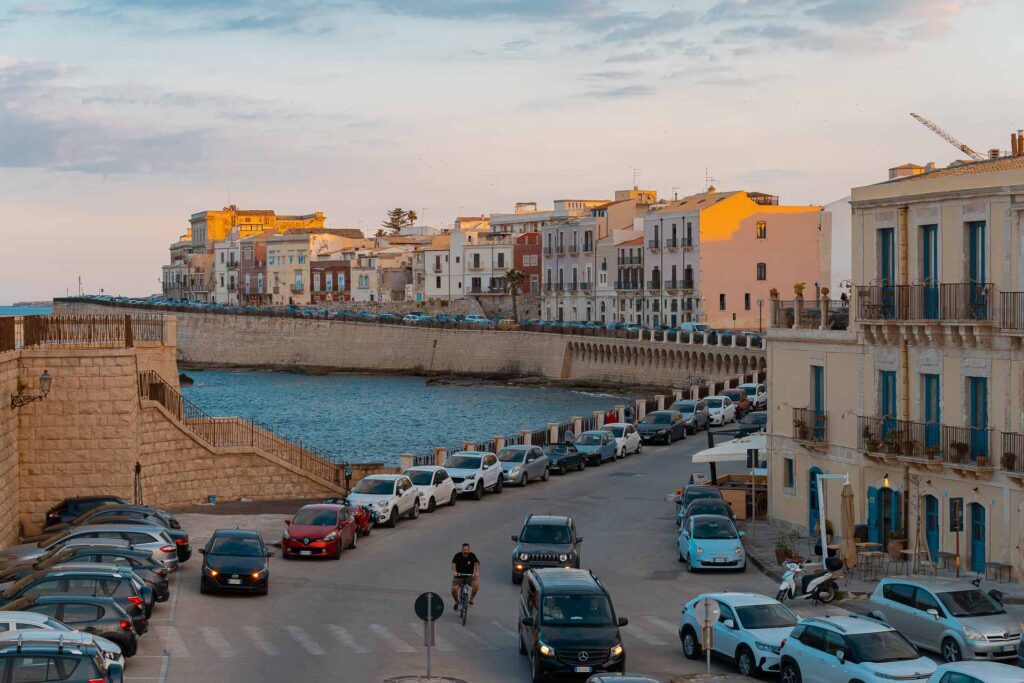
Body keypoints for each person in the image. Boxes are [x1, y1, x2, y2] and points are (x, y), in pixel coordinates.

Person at [451, 543, 480, 609]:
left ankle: (471, 600)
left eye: (467, 550)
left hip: (469, 576)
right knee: (454, 590)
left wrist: (477, 572)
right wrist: (454, 571)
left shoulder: (472, 555)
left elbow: (476, 564)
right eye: (464, 550)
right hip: (459, 577)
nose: (465, 551)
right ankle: (456, 602)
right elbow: (453, 564)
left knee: (476, 585)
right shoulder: (457, 555)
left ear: (469, 550)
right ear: (462, 550)